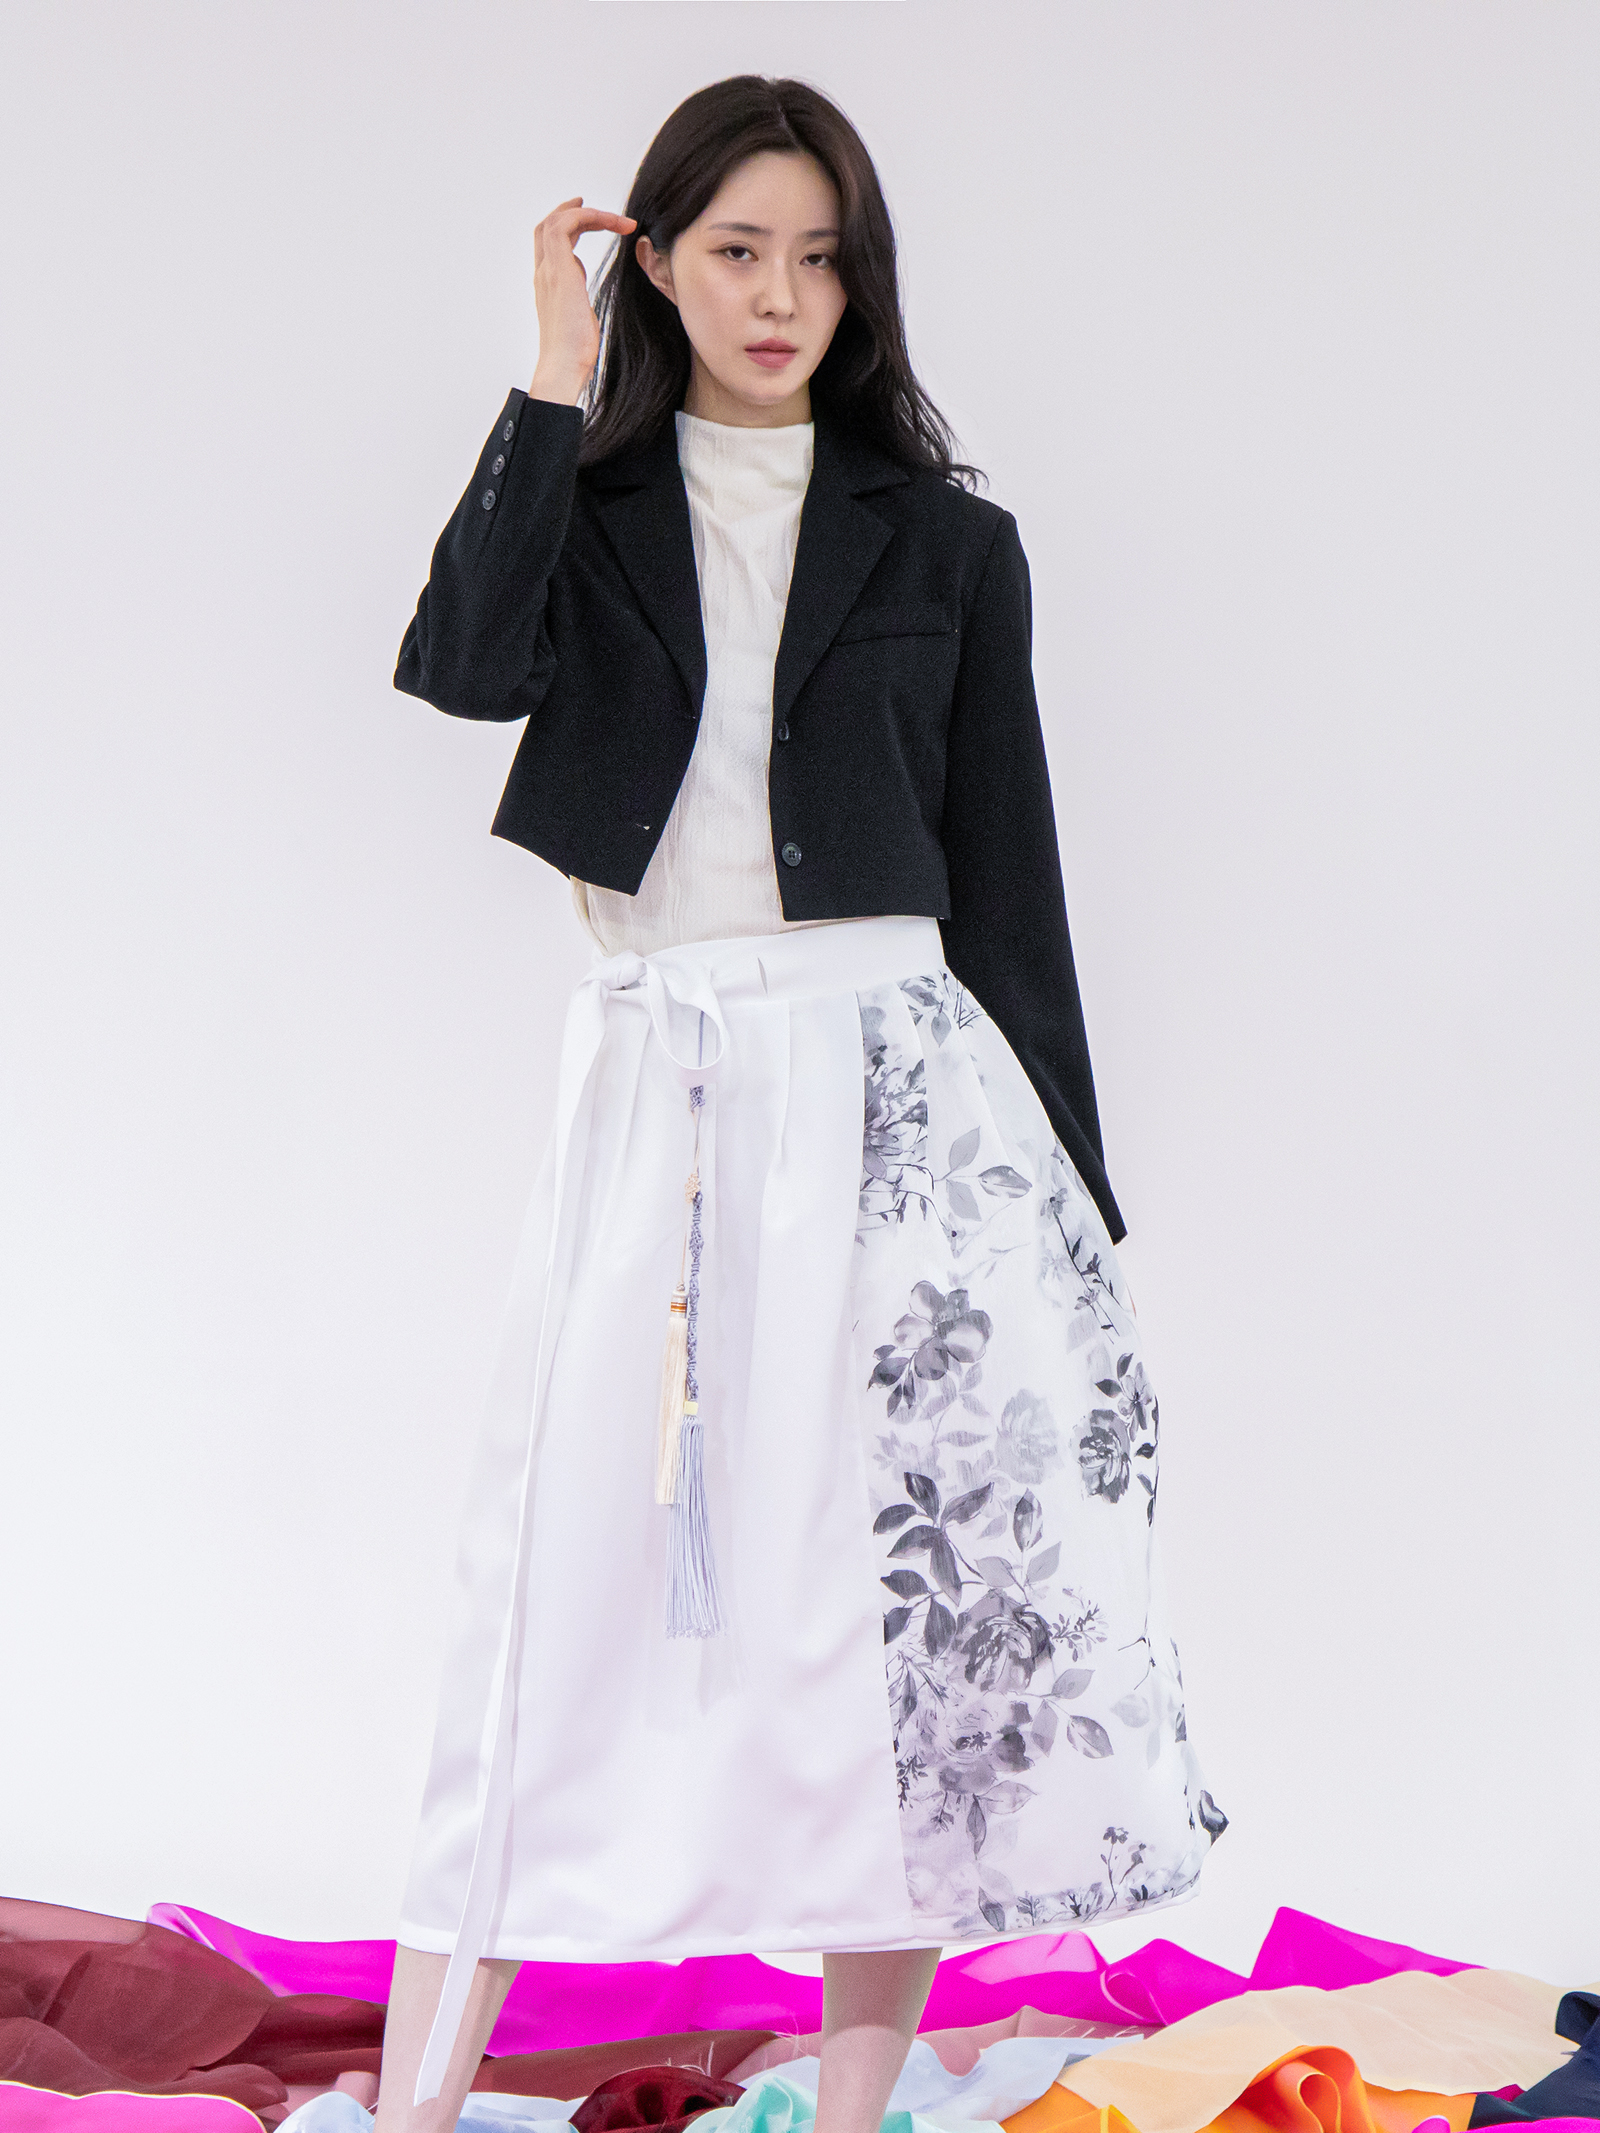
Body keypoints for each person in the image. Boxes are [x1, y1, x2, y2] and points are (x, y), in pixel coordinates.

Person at [375, 73, 1225, 2133]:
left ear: (862, 285)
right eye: (738, 251)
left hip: (904, 1104)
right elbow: (460, 667)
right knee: (547, 1590)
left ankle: (852, 2114)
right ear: (659, 262)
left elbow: (1010, 887)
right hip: (662, 1092)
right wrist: (551, 378)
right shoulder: (580, 509)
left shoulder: (950, 544)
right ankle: (410, 2104)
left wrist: (1078, 1216)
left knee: (887, 1630)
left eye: (820, 258)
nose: (780, 297)